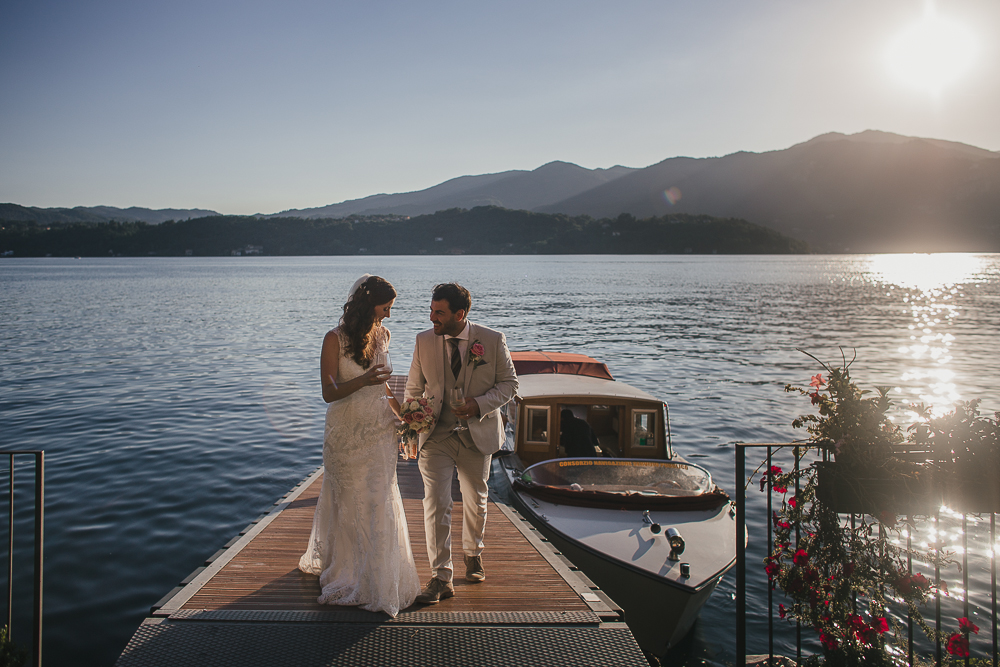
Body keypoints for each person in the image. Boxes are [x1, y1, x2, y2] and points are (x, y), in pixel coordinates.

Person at [298, 274, 420, 617]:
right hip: (346, 430)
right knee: (349, 496)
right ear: (369, 304)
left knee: (379, 496)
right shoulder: (333, 339)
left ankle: (379, 572)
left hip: (380, 428)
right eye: (386, 307)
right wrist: (365, 379)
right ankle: (348, 570)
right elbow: (328, 392)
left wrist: (404, 414)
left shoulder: (383, 334)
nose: (389, 315)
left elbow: (381, 387)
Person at [405, 283, 518, 604]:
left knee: (476, 498)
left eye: (438, 313)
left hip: (476, 433)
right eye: (430, 310)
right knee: (436, 503)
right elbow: (413, 390)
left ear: (460, 314)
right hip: (435, 436)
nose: (431, 318)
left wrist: (479, 404)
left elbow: (510, 384)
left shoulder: (492, 340)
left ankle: (473, 552)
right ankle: (441, 576)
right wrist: (412, 430)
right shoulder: (423, 341)